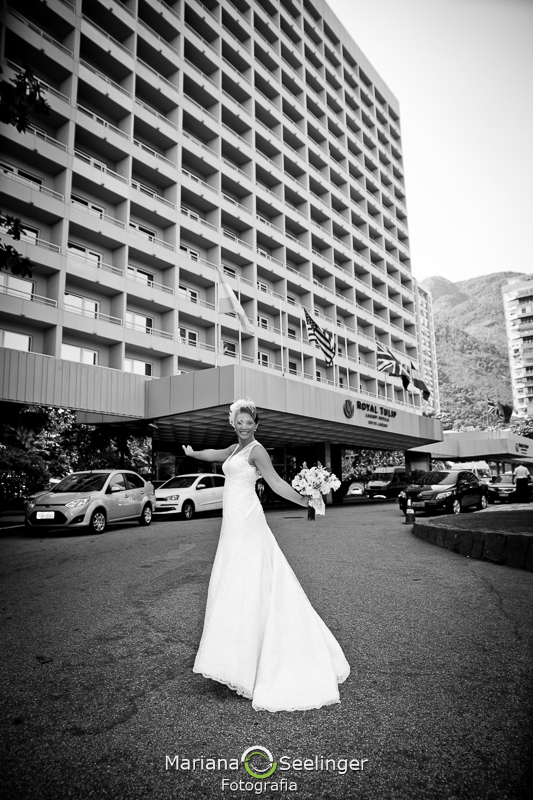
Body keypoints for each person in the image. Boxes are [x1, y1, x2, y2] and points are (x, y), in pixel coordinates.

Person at [182, 397, 350, 712]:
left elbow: (275, 483)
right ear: (233, 424)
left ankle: (255, 664)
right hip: (232, 526)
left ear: (256, 425)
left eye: (249, 422)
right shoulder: (234, 449)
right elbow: (214, 454)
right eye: (239, 422)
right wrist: (193, 454)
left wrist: (306, 501)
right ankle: (235, 660)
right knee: (234, 583)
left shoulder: (257, 451)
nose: (244, 427)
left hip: (247, 522)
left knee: (249, 581)